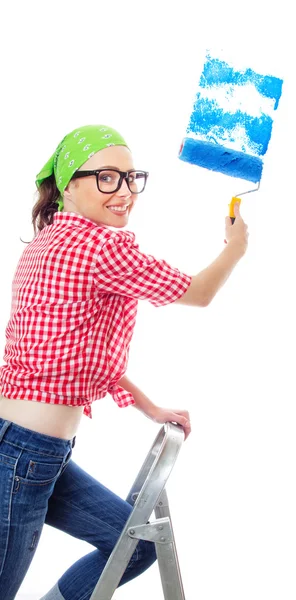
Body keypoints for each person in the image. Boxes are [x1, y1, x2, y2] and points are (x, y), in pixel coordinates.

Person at [0, 124, 249, 600]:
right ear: (70, 184)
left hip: (31, 450)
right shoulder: (99, 246)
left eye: (132, 177)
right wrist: (235, 248)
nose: (125, 191)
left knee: (131, 546)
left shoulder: (47, 242)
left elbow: (78, 354)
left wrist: (149, 407)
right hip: (25, 453)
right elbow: (198, 293)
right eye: (107, 178)